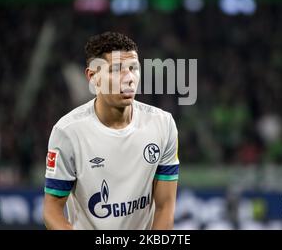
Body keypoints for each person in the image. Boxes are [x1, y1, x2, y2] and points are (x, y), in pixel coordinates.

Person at [43, 31, 180, 230]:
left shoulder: (163, 125)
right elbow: (52, 210)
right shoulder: (68, 132)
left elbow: (165, 207)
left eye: (134, 68)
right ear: (93, 77)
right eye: (116, 70)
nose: (129, 79)